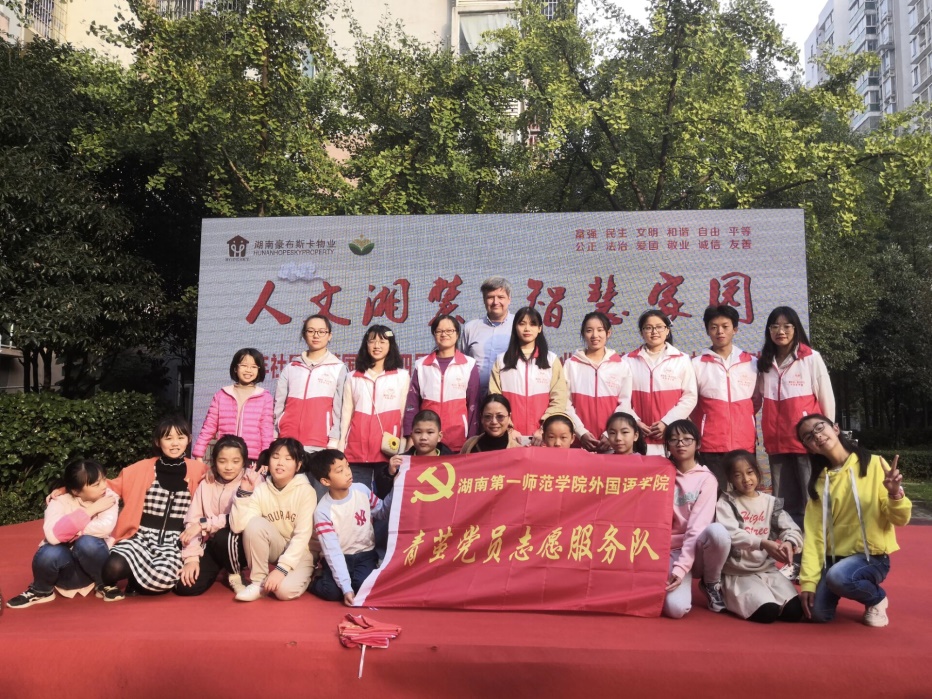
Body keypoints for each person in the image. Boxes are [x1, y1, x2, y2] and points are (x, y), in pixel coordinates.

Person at [796, 415, 911, 627]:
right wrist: (808, 583)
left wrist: (895, 494)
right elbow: (813, 536)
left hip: (871, 557)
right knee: (816, 613)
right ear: (809, 448)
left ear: (836, 428)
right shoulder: (818, 483)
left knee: (838, 577)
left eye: (819, 428)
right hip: (833, 560)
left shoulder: (874, 464)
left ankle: (876, 598)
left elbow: (900, 519)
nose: (817, 436)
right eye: (809, 437)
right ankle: (838, 583)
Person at [98, 414, 208, 601]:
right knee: (113, 566)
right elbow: (104, 486)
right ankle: (111, 583)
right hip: (141, 536)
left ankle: (136, 580)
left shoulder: (200, 471)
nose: (175, 443)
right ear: (158, 441)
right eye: (168, 438)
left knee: (161, 581)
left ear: (189, 439)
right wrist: (63, 490)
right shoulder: (142, 468)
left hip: (175, 541)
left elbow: (220, 490)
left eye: (180, 437)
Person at [758, 306, 834, 529]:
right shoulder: (764, 363)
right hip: (776, 441)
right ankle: (790, 541)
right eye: (774, 326)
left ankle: (818, 542)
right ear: (769, 331)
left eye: (786, 326)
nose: (780, 331)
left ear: (796, 328)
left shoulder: (810, 358)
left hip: (806, 441)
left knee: (812, 496)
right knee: (782, 500)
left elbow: (826, 396)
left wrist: (828, 433)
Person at [7, 459, 118, 609]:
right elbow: (53, 535)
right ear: (76, 491)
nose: (104, 486)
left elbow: (105, 527)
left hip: (94, 570)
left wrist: (69, 531)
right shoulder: (58, 501)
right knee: (50, 551)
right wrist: (90, 511)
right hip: (64, 573)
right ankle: (41, 590)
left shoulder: (109, 497)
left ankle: (104, 584)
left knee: (88, 543)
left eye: (104, 479)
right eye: (96, 484)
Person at [715, 450, 803, 623]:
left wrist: (788, 542)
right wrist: (762, 543)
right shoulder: (726, 502)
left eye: (750, 472)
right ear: (730, 479)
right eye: (738, 475)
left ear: (757, 472)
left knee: (794, 612)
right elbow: (731, 534)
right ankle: (723, 591)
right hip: (738, 573)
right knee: (767, 612)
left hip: (767, 570)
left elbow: (791, 528)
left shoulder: (770, 502)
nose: (746, 479)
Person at [230, 437, 317, 602]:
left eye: (288, 459)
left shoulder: (306, 491)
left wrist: (281, 570)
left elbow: (302, 536)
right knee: (255, 524)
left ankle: (312, 574)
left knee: (283, 592)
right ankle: (257, 582)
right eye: (275, 457)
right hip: (278, 547)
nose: (280, 463)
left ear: (298, 465)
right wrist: (244, 494)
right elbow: (238, 526)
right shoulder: (261, 489)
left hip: (302, 552)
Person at [175, 435, 263, 597]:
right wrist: (191, 558)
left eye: (235, 461)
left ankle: (235, 574)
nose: (229, 467)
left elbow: (238, 518)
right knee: (185, 587)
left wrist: (203, 524)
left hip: (240, 543)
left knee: (225, 534)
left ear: (244, 462)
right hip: (212, 543)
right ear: (214, 461)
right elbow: (192, 520)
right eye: (222, 461)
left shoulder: (253, 480)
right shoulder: (207, 482)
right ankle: (221, 566)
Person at [662, 420, 730, 619]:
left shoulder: (707, 479)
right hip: (669, 550)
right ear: (667, 445)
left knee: (718, 533)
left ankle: (710, 582)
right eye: (674, 439)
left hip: (697, 549)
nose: (680, 444)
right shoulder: (660, 474)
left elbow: (697, 528)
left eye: (686, 439)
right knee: (676, 609)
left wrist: (681, 568)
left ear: (698, 444)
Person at [308, 449, 393, 606]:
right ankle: (314, 578)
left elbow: (382, 511)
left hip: (365, 554)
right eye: (340, 470)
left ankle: (352, 579)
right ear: (325, 481)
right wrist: (346, 588)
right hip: (340, 556)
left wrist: (397, 484)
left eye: (347, 466)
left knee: (362, 588)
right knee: (332, 592)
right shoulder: (323, 511)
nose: (348, 472)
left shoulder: (361, 490)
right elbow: (332, 552)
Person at [691, 306, 761, 490]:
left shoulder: (751, 363)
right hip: (710, 443)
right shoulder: (697, 364)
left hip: (744, 442)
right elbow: (691, 403)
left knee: (746, 493)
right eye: (714, 327)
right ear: (707, 330)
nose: (719, 331)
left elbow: (756, 400)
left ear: (735, 329)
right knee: (715, 494)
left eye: (725, 326)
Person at [339, 325, 409, 498]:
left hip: (388, 452)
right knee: (357, 500)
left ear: (390, 345)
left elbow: (404, 415)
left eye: (382, 342)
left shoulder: (401, 376)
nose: (377, 346)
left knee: (389, 502)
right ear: (366, 345)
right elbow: (346, 415)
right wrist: (340, 447)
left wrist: (403, 448)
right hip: (356, 452)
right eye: (372, 341)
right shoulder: (353, 376)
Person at [489, 306, 567, 445]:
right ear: (515, 327)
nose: (527, 329)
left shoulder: (551, 360)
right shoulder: (501, 361)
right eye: (522, 323)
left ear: (540, 328)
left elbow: (559, 399)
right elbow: (495, 398)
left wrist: (544, 429)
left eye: (532, 324)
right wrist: (509, 428)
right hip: (510, 438)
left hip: (542, 438)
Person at [624, 310, 697, 456]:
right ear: (641, 332)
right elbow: (622, 398)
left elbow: (690, 397)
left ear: (667, 330)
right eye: (648, 327)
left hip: (672, 437)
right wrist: (635, 421)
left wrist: (666, 422)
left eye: (659, 327)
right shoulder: (628, 360)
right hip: (639, 436)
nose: (654, 332)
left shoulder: (681, 359)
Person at [403, 314, 479, 453]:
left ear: (457, 334)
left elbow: (474, 404)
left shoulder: (469, 364)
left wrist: (472, 439)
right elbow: (412, 405)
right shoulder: (422, 365)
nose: (444, 334)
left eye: (449, 331)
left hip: (459, 438)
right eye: (439, 331)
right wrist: (410, 436)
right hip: (427, 440)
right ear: (434, 334)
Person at [274, 314, 348, 452]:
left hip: (321, 444)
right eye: (311, 331)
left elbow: (340, 410)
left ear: (329, 336)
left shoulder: (338, 368)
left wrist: (334, 441)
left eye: (321, 331)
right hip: (287, 442)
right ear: (304, 334)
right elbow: (279, 405)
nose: (316, 335)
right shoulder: (291, 367)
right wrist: (275, 434)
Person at [564, 311, 633, 451]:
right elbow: (565, 403)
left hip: (611, 444)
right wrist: (581, 432)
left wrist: (610, 434)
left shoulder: (620, 365)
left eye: (600, 330)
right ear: (583, 334)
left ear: (608, 333)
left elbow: (624, 404)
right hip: (579, 443)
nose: (595, 335)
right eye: (589, 330)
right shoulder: (571, 365)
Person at [193, 347, 274, 464]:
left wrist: (266, 459)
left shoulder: (265, 397)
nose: (248, 370)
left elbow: (266, 431)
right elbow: (209, 426)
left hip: (252, 459)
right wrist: (198, 454)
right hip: (225, 456)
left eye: (253, 367)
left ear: (259, 370)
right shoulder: (221, 395)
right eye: (244, 365)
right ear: (235, 368)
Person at [461, 276, 515, 395]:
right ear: (484, 300)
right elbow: (462, 364)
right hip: (476, 397)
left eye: (501, 297)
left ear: (509, 299)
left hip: (509, 396)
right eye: (490, 297)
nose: (495, 302)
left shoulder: (519, 326)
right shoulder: (471, 328)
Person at [461, 394, 526, 453]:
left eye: (500, 416)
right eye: (488, 416)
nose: (494, 422)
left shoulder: (518, 450)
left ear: (509, 417)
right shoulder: (470, 446)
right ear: (481, 418)